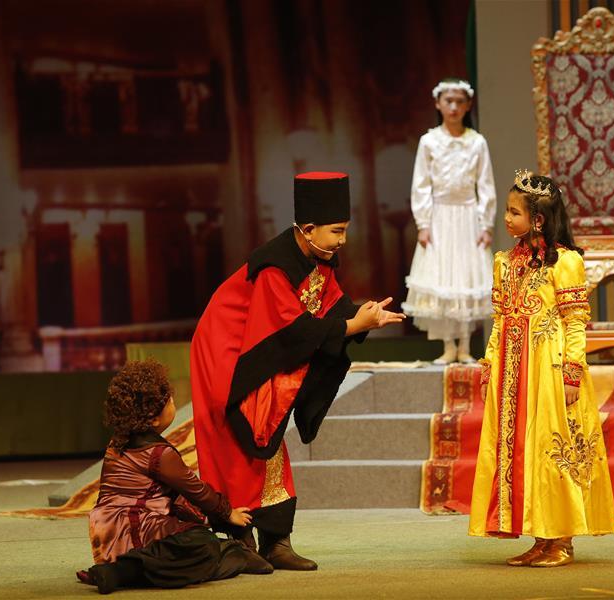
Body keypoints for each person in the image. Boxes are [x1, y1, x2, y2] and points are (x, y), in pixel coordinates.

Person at [190, 172, 404, 572]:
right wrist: (352, 326)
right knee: (240, 435)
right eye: (336, 231)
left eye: (345, 229)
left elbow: (331, 306)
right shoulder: (275, 267)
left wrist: (363, 316)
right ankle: (238, 541)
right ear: (308, 229)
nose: (343, 239)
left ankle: (276, 541)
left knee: (267, 430)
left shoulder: (318, 259)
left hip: (260, 346)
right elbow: (292, 330)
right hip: (227, 350)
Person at [468, 171, 614, 567]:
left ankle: (562, 541)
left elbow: (575, 321)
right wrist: (489, 365)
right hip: (513, 370)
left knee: (551, 450)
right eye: (506, 210)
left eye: (513, 212)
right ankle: (541, 537)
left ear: (537, 220)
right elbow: (500, 320)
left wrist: (572, 372)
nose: (506, 218)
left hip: (548, 370)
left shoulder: (565, 263)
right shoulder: (505, 263)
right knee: (524, 452)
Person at [79, 359, 256, 594]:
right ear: (153, 419)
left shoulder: (120, 440)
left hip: (109, 531)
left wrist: (211, 519)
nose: (173, 401)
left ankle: (226, 556)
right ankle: (121, 572)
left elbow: (172, 500)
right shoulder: (159, 454)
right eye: (169, 400)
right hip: (132, 530)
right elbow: (196, 490)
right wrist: (228, 512)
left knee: (202, 537)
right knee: (203, 544)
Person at [402, 77, 496, 364]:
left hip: (468, 215)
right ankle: (448, 346)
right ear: (438, 104)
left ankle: (465, 345)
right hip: (440, 216)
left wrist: (486, 224)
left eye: (459, 102)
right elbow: (421, 184)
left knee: (465, 275)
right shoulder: (429, 141)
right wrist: (423, 224)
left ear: (467, 106)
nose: (454, 107)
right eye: (448, 101)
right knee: (442, 275)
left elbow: (485, 184)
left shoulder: (476, 142)